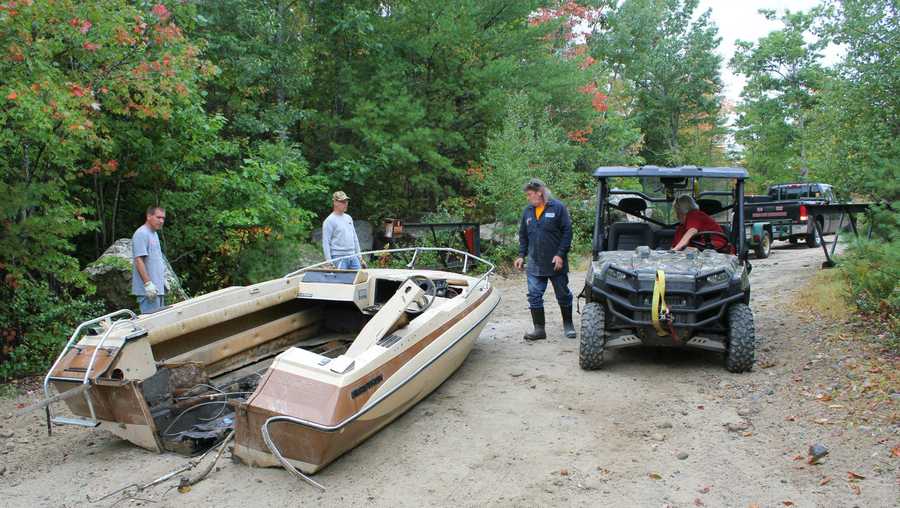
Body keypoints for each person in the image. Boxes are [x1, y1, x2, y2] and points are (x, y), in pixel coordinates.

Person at [514, 178, 575, 340]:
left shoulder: (558, 208)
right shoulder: (527, 211)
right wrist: (521, 255)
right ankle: (539, 330)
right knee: (534, 296)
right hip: (534, 263)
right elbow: (523, 236)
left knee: (562, 295)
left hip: (556, 263)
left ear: (539, 193)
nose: (527, 197)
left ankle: (568, 324)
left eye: (529, 194)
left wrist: (560, 254)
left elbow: (567, 233)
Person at [132, 206, 167, 314]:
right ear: (148, 216)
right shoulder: (141, 234)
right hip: (149, 292)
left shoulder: (154, 234)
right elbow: (139, 260)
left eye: (163, 218)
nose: (161, 221)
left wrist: (162, 280)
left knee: (161, 324)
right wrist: (148, 284)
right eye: (158, 217)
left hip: (158, 290)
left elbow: (155, 260)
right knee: (153, 326)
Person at [323, 191, 367, 270]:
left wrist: (360, 257)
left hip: (353, 256)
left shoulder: (348, 218)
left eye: (346, 201)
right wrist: (329, 262)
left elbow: (355, 238)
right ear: (335, 202)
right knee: (341, 281)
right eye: (343, 202)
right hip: (338, 258)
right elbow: (326, 242)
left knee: (359, 280)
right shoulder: (329, 221)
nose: (346, 203)